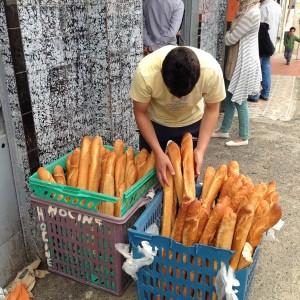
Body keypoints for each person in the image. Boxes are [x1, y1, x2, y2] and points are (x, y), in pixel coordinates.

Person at [130, 46, 226, 185]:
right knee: (152, 182)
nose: (179, 99)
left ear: (198, 76)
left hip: (192, 125)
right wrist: (158, 153)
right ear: (162, 74)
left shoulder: (211, 72)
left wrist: (200, 150)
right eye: (173, 93)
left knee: (186, 182)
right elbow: (140, 112)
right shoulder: (146, 73)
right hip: (156, 126)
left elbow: (212, 109)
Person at [212, 0, 261, 147]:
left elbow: (230, 39)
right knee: (229, 96)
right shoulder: (245, 10)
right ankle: (224, 130)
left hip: (244, 62)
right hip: (236, 60)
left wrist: (228, 33)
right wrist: (230, 33)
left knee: (239, 99)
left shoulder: (252, 13)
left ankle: (243, 136)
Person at [248, 0, 281, 102]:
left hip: (261, 41)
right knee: (266, 67)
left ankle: (254, 95)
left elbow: (257, 25)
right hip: (270, 42)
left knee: (256, 67)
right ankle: (265, 93)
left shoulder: (263, 7)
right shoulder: (277, 6)